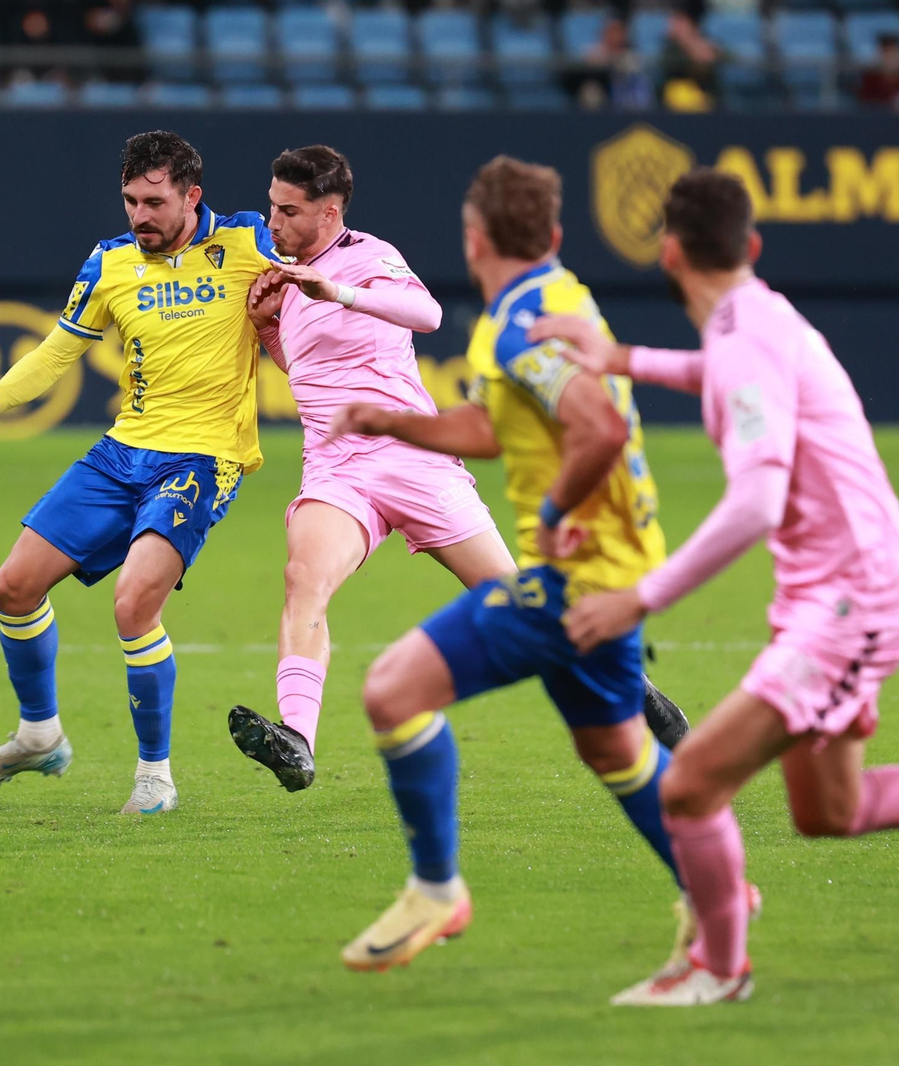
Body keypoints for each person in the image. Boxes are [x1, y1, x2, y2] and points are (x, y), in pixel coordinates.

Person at [532, 169, 899, 1007]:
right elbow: (721, 373)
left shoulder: (743, 340)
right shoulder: (759, 315)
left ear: (667, 253)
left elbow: (757, 501)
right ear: (752, 247)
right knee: (826, 810)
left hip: (852, 598)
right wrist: (620, 358)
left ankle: (719, 969)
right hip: (847, 586)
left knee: (690, 782)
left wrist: (640, 597)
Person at [316, 156, 707, 973]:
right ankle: (718, 898)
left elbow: (596, 427)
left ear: (474, 238)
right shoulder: (553, 297)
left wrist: (559, 514)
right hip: (619, 566)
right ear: (556, 236)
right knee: (616, 752)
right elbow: (494, 432)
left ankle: (437, 889)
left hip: (577, 578)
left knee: (393, 690)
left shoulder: (524, 321)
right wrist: (395, 424)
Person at [0, 131, 274, 815]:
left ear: (191, 195)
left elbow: (326, 279)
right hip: (123, 452)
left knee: (133, 602)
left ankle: (155, 776)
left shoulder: (248, 245)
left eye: (154, 202)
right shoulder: (110, 262)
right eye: (129, 200)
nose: (139, 215)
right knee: (13, 586)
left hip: (204, 458)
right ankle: (38, 735)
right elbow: (60, 349)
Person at [220, 146, 513, 793]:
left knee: (514, 603)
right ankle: (297, 738)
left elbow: (429, 315)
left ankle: (632, 689)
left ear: (329, 212)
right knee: (304, 580)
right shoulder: (287, 277)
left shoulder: (364, 256)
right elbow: (311, 373)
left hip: (412, 458)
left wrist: (340, 292)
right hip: (337, 469)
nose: (274, 222)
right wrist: (268, 328)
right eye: (271, 206)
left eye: (289, 211)